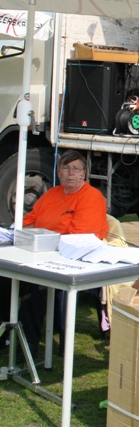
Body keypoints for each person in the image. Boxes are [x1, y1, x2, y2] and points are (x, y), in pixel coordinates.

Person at [2, 150, 109, 355]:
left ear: (83, 173)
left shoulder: (91, 197)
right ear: (58, 172)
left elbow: (78, 238)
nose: (70, 173)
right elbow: (28, 221)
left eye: (75, 169)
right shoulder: (52, 194)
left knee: (33, 286)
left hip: (72, 259)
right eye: (65, 168)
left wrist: (41, 237)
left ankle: (26, 346)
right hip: (40, 253)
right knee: (5, 279)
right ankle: (6, 337)